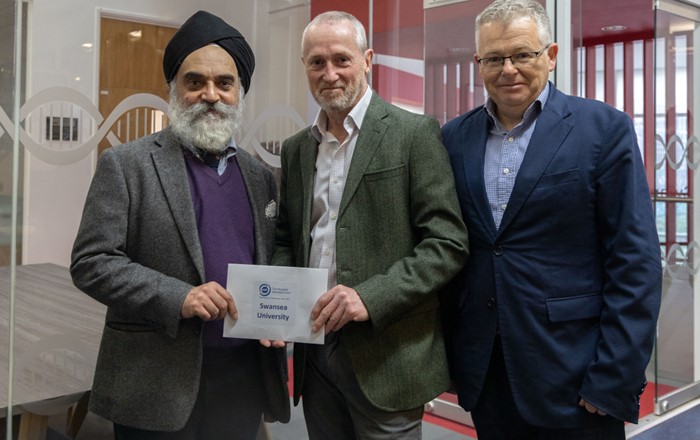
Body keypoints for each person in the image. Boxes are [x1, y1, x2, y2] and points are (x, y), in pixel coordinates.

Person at [441, 0, 662, 439]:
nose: (508, 69)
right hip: (489, 372)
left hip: (576, 374)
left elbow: (635, 263)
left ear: (551, 55)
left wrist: (613, 378)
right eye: (494, 58)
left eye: (523, 54)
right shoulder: (452, 138)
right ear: (477, 63)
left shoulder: (603, 130)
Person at [70, 10, 289, 439]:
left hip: (241, 379)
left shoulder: (259, 176)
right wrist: (180, 297)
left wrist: (280, 314)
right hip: (153, 380)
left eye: (224, 83)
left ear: (239, 91)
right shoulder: (127, 165)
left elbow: (269, 257)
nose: (211, 94)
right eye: (195, 82)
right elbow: (91, 261)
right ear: (173, 89)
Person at [267, 10, 469, 439]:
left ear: (367, 60)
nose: (330, 73)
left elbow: (447, 243)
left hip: (388, 353)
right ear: (305, 67)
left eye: (341, 59)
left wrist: (369, 297)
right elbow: (287, 237)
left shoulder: (413, 134)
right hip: (315, 351)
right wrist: (279, 303)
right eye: (316, 62)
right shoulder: (297, 150)